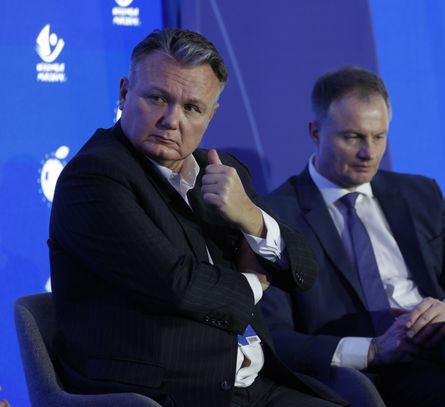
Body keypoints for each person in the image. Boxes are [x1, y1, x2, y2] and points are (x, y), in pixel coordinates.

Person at [48, 28, 349, 407]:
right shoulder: (93, 177)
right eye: (157, 98)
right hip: (165, 390)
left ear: (211, 114)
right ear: (124, 93)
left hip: (254, 382)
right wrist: (255, 281)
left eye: (192, 108)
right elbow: (176, 284)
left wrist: (251, 218)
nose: (171, 120)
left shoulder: (220, 169)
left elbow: (302, 272)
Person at [261, 66, 445, 406]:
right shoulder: (275, 215)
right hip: (372, 375)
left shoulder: (422, 195)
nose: (369, 153)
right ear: (316, 132)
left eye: (379, 137)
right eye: (353, 137)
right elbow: (274, 337)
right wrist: (373, 349)